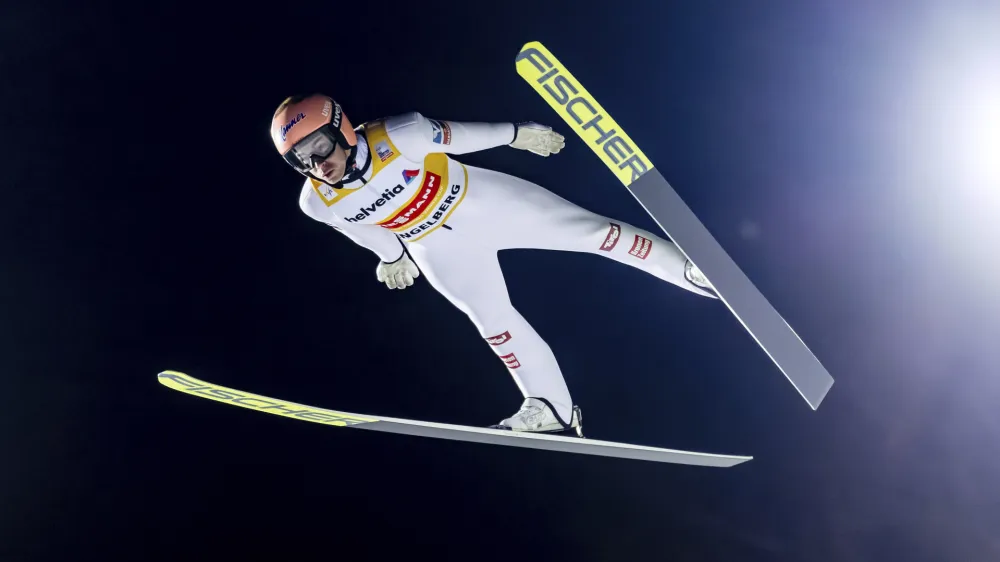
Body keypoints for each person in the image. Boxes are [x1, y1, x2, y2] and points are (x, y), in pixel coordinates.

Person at [269, 93, 717, 437]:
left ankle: (691, 272)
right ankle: (550, 407)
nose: (317, 163)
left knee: (595, 234)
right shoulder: (317, 201)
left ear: (341, 128)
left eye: (319, 145)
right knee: (494, 323)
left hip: (481, 203)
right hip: (435, 248)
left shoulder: (399, 134)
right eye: (300, 158)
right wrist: (392, 256)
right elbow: (357, 225)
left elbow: (461, 134)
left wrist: (516, 134)